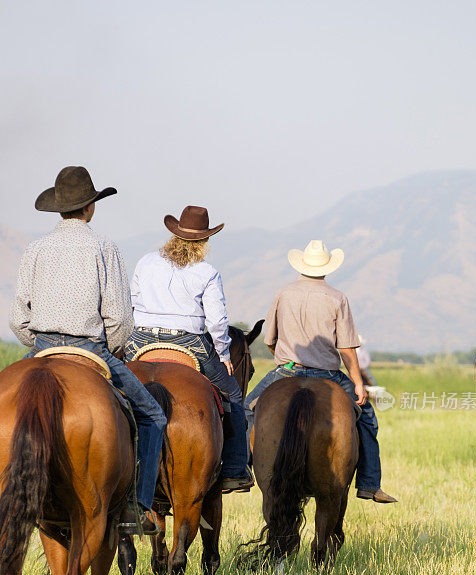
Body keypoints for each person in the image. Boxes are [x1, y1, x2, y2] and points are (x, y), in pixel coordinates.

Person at [9, 165, 167, 534]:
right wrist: (111, 348)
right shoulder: (104, 247)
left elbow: (19, 317)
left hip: (42, 346)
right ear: (90, 207)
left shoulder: (35, 248)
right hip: (91, 348)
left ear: (59, 208)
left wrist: (41, 344)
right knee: (152, 416)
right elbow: (118, 318)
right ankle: (136, 506)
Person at [245, 240, 397, 503]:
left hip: (287, 371)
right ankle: (370, 483)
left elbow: (270, 340)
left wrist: (285, 360)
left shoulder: (283, 293)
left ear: (302, 265)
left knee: (246, 409)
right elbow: (347, 348)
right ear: (327, 268)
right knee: (367, 416)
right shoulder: (337, 298)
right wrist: (358, 383)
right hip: (328, 374)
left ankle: (240, 469)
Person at [124, 205, 253, 494]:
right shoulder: (207, 271)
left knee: (109, 386)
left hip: (140, 339)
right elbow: (217, 321)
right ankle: (234, 469)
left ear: (174, 234)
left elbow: (130, 304)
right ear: (204, 242)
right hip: (188, 342)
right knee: (232, 394)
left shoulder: (145, 262)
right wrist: (222, 354)